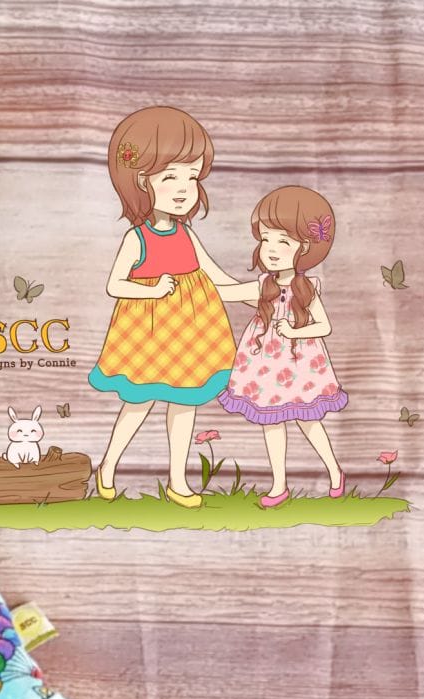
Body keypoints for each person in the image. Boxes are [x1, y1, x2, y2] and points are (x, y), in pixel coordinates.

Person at [88, 106, 243, 507]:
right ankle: (107, 466)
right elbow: (114, 285)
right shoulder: (137, 238)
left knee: (185, 405)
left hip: (190, 333)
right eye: (170, 176)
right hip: (149, 331)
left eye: (192, 177)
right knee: (138, 402)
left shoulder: (186, 234)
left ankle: (178, 482)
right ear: (141, 180)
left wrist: (257, 292)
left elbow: (216, 278)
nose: (183, 189)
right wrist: (153, 290)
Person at [217, 186, 347, 506]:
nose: (271, 249)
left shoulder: (306, 288)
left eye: (283, 241)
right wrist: (196, 273)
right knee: (271, 422)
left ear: (305, 246)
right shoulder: (264, 285)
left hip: (300, 365)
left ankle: (334, 472)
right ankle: (279, 485)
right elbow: (227, 291)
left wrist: (294, 331)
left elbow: (325, 326)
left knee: (308, 420)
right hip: (265, 366)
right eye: (266, 240)